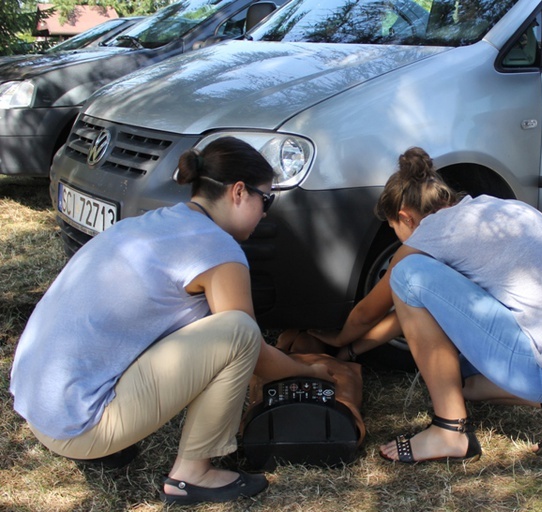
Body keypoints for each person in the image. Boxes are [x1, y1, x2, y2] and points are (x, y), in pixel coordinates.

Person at [9, 136, 331, 505]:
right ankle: (193, 475)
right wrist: (310, 372)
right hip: (77, 424)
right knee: (239, 332)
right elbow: (253, 353)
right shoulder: (218, 250)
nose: (265, 213)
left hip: (40, 406)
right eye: (266, 200)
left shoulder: (155, 222)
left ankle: (104, 438)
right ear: (239, 192)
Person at [311, 147, 542, 462]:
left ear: (404, 217)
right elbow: (413, 312)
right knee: (457, 382)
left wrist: (338, 339)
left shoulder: (432, 233)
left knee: (406, 274)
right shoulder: (489, 211)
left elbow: (366, 313)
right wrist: (352, 352)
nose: (400, 238)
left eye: (394, 229)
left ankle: (449, 432)